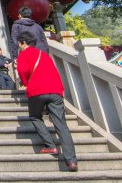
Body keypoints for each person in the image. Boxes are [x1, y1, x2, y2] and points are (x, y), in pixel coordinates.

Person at [16, 32, 78, 172]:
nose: (19, 47)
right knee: (61, 125)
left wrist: (26, 82)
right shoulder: (43, 54)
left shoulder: (23, 55)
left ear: (23, 43)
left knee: (35, 117)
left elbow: (22, 70)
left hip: (37, 90)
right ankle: (71, 161)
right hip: (55, 90)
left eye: (19, 44)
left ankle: (50, 145)